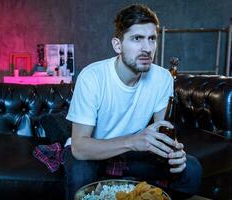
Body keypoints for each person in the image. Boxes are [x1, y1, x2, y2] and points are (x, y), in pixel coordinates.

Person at [63, 4, 202, 200]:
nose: (147, 48)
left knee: (192, 169)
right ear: (117, 45)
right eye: (137, 38)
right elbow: (79, 148)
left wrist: (175, 152)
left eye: (152, 39)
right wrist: (132, 141)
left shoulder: (163, 78)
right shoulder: (92, 77)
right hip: (95, 151)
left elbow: (164, 131)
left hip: (134, 153)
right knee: (81, 174)